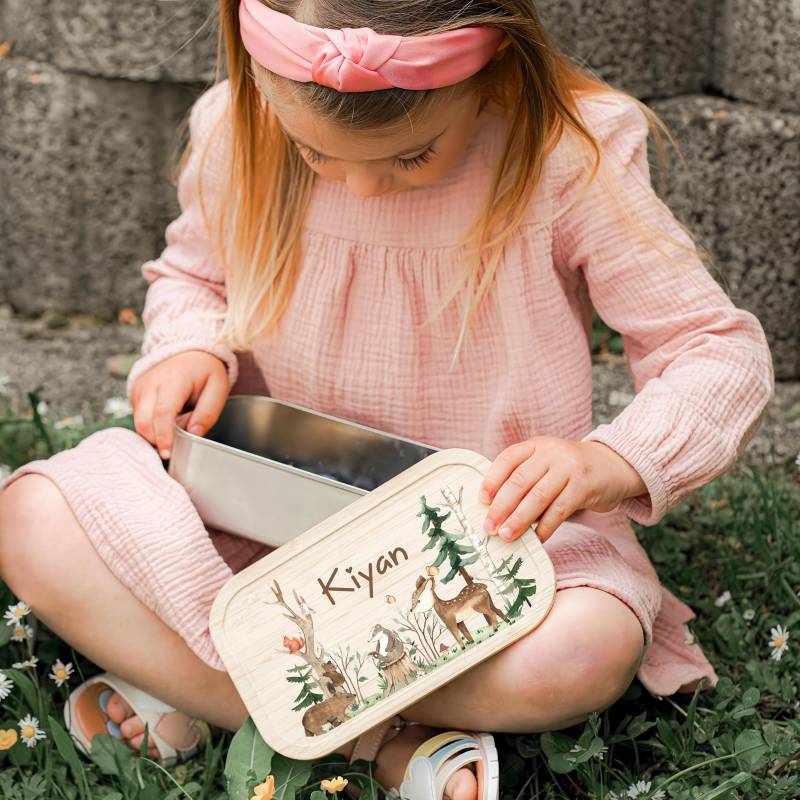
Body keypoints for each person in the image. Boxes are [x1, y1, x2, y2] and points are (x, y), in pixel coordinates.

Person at [0, 0, 774, 797]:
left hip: (482, 551)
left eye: (410, 156)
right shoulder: (243, 126)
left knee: (583, 649)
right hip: (258, 529)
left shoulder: (566, 156)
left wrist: (609, 460)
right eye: (315, 153)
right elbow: (194, 277)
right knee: (30, 517)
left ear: (497, 65)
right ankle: (387, 748)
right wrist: (188, 346)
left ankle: (199, 693)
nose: (364, 188)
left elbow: (713, 348)